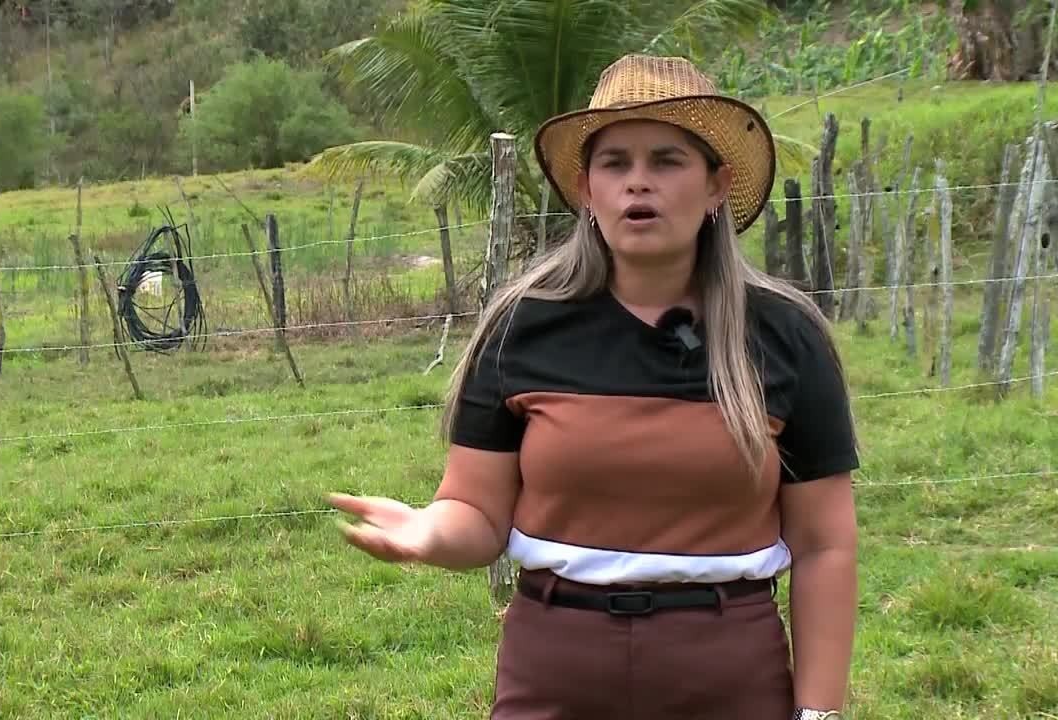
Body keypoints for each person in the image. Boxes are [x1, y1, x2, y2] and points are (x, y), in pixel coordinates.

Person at [328, 54, 860, 720]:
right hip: (554, 673)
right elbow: (478, 514)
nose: (639, 182)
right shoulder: (523, 326)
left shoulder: (785, 336)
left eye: (667, 160)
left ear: (717, 185)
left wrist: (818, 714)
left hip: (729, 675)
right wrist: (428, 532)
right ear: (586, 189)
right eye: (615, 163)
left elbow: (824, 546)